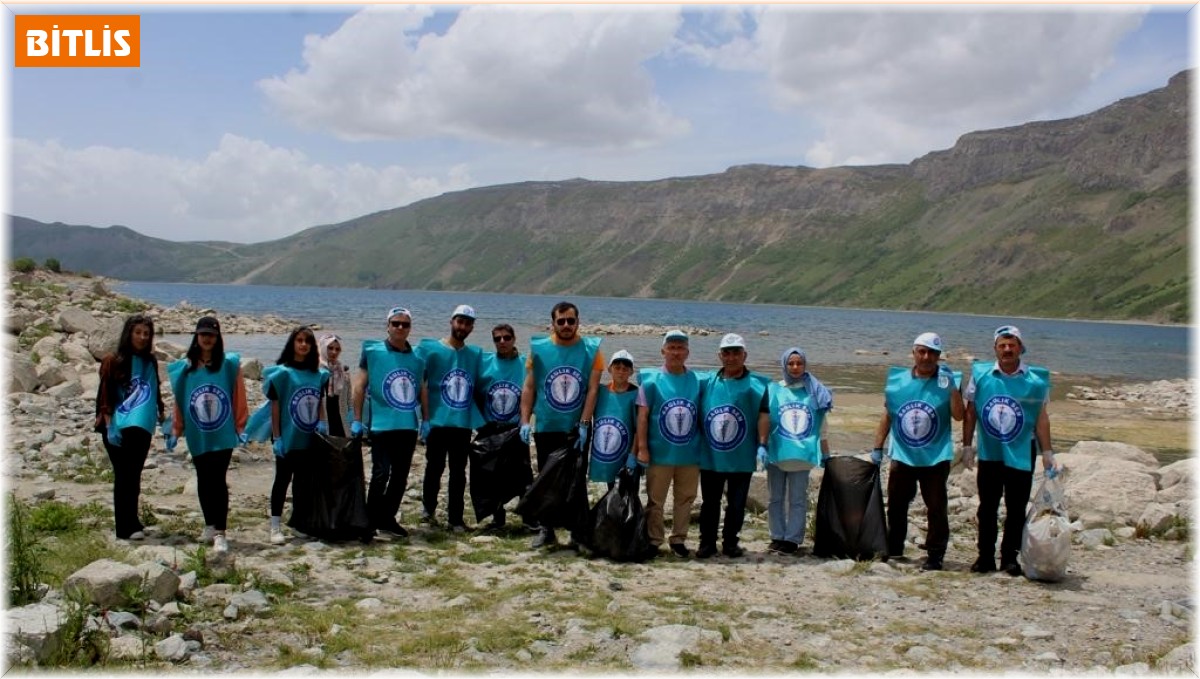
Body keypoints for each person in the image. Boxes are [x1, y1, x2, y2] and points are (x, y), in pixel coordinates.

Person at [962, 325, 1060, 576]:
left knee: (1016, 508)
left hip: (1020, 451)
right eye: (1002, 345)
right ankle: (984, 557)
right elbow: (971, 410)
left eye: (1012, 345)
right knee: (987, 506)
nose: (1007, 350)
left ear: (1020, 348)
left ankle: (1009, 558)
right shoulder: (982, 374)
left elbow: (1041, 418)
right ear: (995, 348)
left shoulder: (1035, 381)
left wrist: (1047, 452)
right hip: (991, 452)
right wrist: (967, 445)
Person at [872, 332, 964, 571]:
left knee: (936, 506)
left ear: (938, 356)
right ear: (913, 353)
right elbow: (888, 416)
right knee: (896, 504)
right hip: (903, 454)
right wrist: (877, 446)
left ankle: (935, 554)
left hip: (935, 456)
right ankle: (894, 547)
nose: (926, 357)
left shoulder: (947, 381)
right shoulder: (897, 381)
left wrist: (953, 389)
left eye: (932, 353)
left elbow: (959, 415)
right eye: (922, 352)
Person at [518, 301, 604, 549]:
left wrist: (585, 423)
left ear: (578, 322)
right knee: (546, 478)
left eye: (571, 321)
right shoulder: (539, 348)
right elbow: (530, 387)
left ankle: (578, 532)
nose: (566, 325)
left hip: (575, 428)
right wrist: (525, 420)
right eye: (561, 321)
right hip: (546, 424)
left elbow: (592, 389)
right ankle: (546, 529)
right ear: (553, 323)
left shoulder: (592, 350)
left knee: (576, 480)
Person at [167, 316, 248, 553]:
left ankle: (221, 532)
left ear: (217, 337)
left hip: (222, 432)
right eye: (203, 334)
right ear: (196, 337)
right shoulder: (185, 368)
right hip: (198, 432)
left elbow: (238, 396)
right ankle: (209, 524)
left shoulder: (229, 365)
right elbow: (180, 401)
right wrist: (176, 429)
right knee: (203, 478)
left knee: (218, 479)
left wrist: (241, 426)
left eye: (211, 335)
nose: (207, 339)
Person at [352, 306, 428, 539]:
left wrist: (426, 419)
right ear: (388, 326)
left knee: (400, 476)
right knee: (380, 473)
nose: (400, 328)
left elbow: (422, 389)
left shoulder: (417, 357)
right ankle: (368, 521)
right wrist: (357, 419)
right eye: (396, 323)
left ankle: (387, 518)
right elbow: (359, 386)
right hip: (381, 426)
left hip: (407, 426)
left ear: (410, 328)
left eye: (405, 324)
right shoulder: (373, 351)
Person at [756, 347, 833, 555]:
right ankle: (776, 535)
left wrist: (826, 454)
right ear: (784, 365)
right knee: (775, 498)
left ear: (805, 365)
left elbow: (821, 428)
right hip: (777, 453)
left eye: (799, 363)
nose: (795, 367)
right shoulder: (773, 389)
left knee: (798, 499)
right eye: (791, 363)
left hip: (801, 456)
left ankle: (792, 539)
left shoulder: (815, 391)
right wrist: (761, 446)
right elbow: (764, 419)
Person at [95, 314, 164, 541]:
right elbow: (104, 395)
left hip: (142, 426)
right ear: (129, 333)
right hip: (117, 426)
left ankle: (133, 520)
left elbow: (155, 390)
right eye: (138, 333)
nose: (142, 337)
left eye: (146, 333)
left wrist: (163, 416)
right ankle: (124, 528)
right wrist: (108, 424)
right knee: (124, 476)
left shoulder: (150, 361)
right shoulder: (113, 360)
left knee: (134, 475)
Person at [697, 334, 767, 558]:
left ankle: (730, 542)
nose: (731, 357)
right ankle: (706, 543)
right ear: (720, 355)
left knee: (736, 504)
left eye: (736, 352)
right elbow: (677, 379)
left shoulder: (757, 385)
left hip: (742, 455)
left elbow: (766, 413)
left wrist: (763, 444)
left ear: (744, 355)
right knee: (710, 503)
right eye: (726, 353)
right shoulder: (707, 381)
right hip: (711, 455)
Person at [635, 329, 703, 557]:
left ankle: (679, 539)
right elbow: (642, 416)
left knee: (685, 498)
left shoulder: (698, 381)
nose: (676, 352)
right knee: (655, 499)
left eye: (680, 348)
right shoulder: (651, 381)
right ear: (663, 350)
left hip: (689, 453)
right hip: (660, 452)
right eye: (671, 347)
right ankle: (654, 540)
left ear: (687, 352)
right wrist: (642, 448)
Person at [418, 305, 484, 531]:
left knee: (458, 471)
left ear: (472, 327)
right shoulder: (431, 350)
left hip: (462, 423)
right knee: (433, 468)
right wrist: (422, 418)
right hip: (437, 421)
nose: (462, 326)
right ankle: (428, 510)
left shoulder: (474, 355)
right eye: (459, 321)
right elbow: (420, 383)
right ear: (451, 321)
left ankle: (455, 518)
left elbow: (484, 383)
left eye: (467, 323)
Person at [264, 326, 329, 544]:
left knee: (303, 482)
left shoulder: (318, 374)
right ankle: (275, 525)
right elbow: (275, 406)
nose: (303, 345)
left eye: (307, 341)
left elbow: (319, 400)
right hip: (287, 436)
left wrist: (322, 421)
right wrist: (277, 436)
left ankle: (299, 523)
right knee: (282, 480)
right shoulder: (281, 373)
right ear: (292, 343)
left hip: (308, 437)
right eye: (299, 340)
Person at [473, 323, 526, 530]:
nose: (502, 341)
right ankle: (497, 516)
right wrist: (480, 423)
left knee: (522, 474)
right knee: (491, 474)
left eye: (506, 337)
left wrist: (526, 421)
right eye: (497, 338)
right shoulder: (485, 363)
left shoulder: (525, 363)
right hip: (491, 427)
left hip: (515, 427)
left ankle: (529, 517)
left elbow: (532, 392)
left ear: (514, 338)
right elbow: (474, 392)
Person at [589, 350, 639, 489]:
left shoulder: (636, 395)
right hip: (605, 453)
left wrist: (633, 455)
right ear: (609, 369)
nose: (621, 372)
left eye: (625, 369)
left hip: (626, 453)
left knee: (627, 492)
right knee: (609, 490)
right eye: (617, 368)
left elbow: (639, 429)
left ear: (631, 372)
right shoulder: (600, 391)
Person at [318, 334, 351, 437]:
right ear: (323, 348)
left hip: (341, 424)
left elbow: (349, 400)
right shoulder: (315, 372)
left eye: (337, 349)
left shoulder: (343, 373)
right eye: (330, 348)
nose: (334, 352)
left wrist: (353, 418)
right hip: (322, 423)